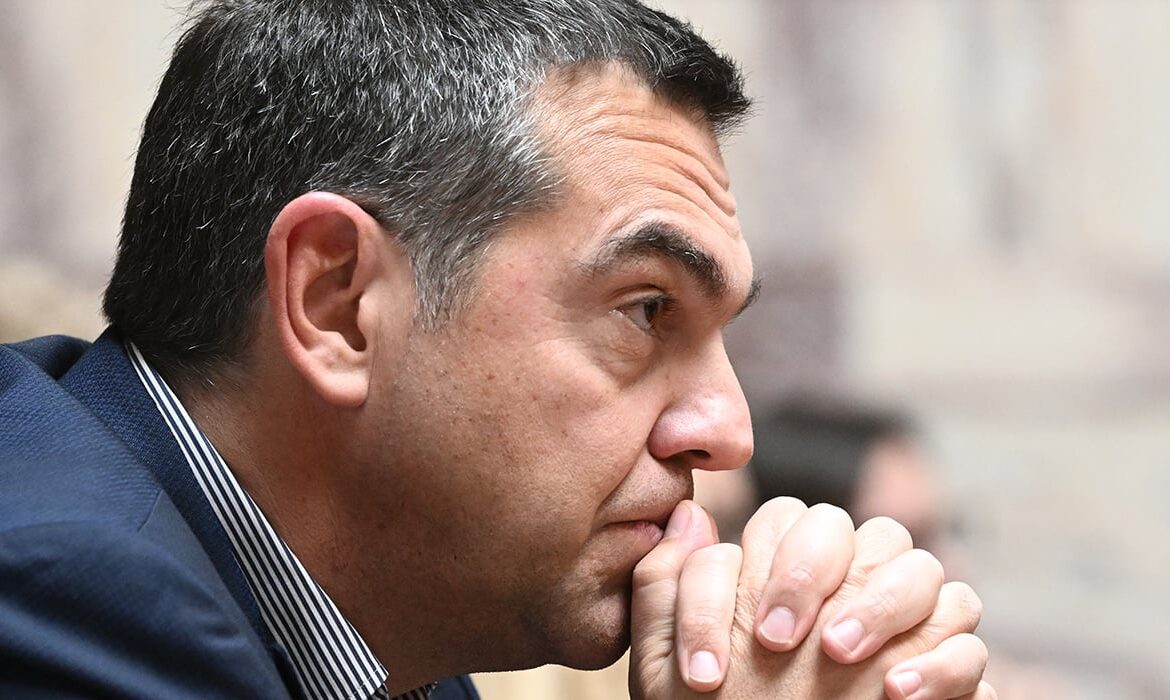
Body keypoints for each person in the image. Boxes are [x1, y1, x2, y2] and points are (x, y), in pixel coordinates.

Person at [0, 2, 993, 698]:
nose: (729, 433)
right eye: (647, 309)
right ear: (336, 302)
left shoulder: (385, 642)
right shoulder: (62, 605)